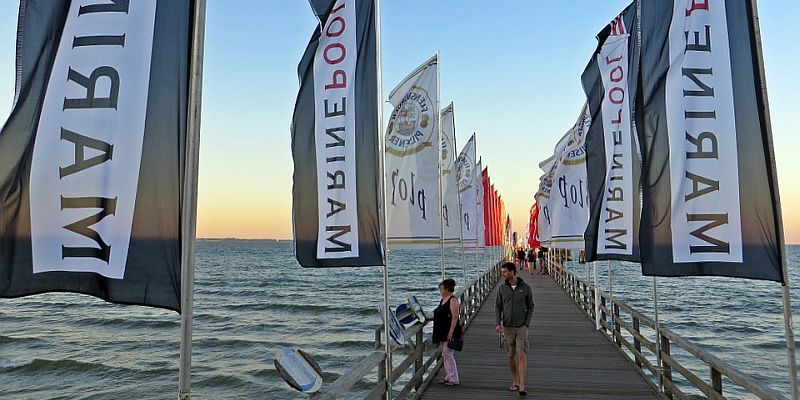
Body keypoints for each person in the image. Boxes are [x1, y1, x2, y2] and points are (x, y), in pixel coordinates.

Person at [495, 262, 534, 396]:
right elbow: (498, 307)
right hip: (507, 326)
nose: (503, 274)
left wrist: (526, 323)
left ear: (512, 272)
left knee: (521, 355)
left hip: (521, 326)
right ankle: (515, 380)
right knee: (511, 355)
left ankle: (522, 385)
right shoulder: (502, 288)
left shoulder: (526, 288)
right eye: (503, 272)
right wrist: (497, 323)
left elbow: (531, 306)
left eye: (505, 272)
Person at [433, 278, 461, 386]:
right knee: (445, 354)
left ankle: (454, 378)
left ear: (447, 289)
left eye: (442, 289)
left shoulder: (452, 300)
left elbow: (455, 317)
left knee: (448, 353)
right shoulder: (443, 299)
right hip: (442, 330)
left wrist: (451, 332)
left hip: (449, 331)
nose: (440, 292)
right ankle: (449, 376)